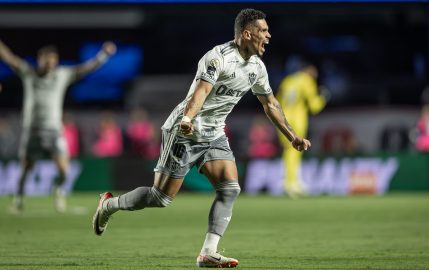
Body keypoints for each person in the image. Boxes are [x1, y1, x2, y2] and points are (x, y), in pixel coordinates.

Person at [92, 9, 310, 268]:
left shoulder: (256, 68)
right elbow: (200, 91)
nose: (269, 35)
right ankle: (109, 205)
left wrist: (292, 136)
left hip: (214, 134)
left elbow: (270, 104)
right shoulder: (217, 58)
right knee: (161, 198)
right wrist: (186, 119)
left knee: (230, 189)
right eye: (263, 31)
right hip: (184, 131)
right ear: (247, 33)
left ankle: (208, 252)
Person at [0, 39, 116, 213]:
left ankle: (58, 191)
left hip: (54, 131)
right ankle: (19, 199)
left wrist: (103, 55)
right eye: (47, 59)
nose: (50, 63)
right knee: (25, 170)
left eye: (53, 60)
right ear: (40, 59)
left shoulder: (62, 74)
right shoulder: (28, 72)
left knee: (64, 170)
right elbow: (10, 58)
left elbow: (85, 69)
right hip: (32, 130)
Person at [276, 62, 326, 197]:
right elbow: (314, 106)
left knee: (288, 150)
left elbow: (276, 102)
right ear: (310, 73)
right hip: (297, 120)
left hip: (283, 119)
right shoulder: (307, 81)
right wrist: (323, 98)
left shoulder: (287, 80)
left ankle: (289, 181)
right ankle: (292, 183)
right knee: (296, 151)